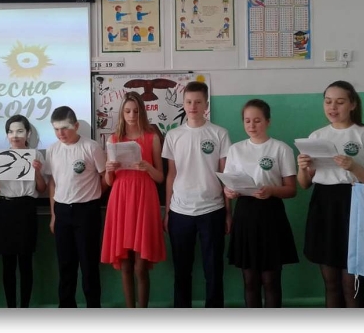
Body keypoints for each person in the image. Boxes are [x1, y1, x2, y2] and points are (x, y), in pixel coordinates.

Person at [296, 80, 364, 308]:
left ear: (352, 104)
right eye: (328, 102)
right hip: (323, 206)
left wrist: (354, 167)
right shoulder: (316, 136)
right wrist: (302, 167)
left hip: (354, 205)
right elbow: (304, 184)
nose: (333, 107)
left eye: (340, 102)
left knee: (351, 283)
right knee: (331, 283)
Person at [222, 99, 299, 308]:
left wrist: (271, 190)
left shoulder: (281, 149)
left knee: (271, 280)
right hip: (245, 215)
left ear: (268, 121)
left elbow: (291, 189)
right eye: (247, 121)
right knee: (250, 280)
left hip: (271, 215)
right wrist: (229, 192)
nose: (252, 125)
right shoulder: (236, 149)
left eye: (257, 120)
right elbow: (228, 184)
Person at [162, 81, 231, 308]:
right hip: (180, 211)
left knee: (214, 270)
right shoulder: (173, 136)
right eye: (189, 102)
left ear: (206, 105)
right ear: (183, 104)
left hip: (213, 210)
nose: (193, 106)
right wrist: (168, 211)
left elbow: (225, 175)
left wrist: (228, 212)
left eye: (198, 102)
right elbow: (171, 175)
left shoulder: (220, 133)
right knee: (182, 271)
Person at [101, 91, 166, 308]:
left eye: (136, 111)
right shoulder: (113, 139)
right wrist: (109, 170)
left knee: (140, 266)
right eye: (128, 111)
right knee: (126, 264)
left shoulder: (152, 137)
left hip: (144, 198)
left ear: (142, 113)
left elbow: (160, 177)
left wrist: (147, 167)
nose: (131, 115)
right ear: (122, 112)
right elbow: (109, 182)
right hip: (120, 199)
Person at [46, 106, 106, 308]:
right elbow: (53, 183)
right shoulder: (52, 150)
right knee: (65, 266)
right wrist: (53, 215)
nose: (60, 133)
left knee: (89, 266)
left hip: (87, 212)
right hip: (62, 211)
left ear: (76, 126)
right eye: (56, 129)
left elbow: (105, 177)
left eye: (65, 128)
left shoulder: (91, 147)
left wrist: (93, 195)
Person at [0, 115, 48, 308]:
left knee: (25, 262)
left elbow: (42, 189)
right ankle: (11, 307)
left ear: (28, 133)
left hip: (26, 209)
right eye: (11, 131)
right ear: (7, 135)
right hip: (5, 209)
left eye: (20, 131)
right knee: (8, 264)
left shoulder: (36, 155)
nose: (15, 135)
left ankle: (25, 307)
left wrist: (36, 172)